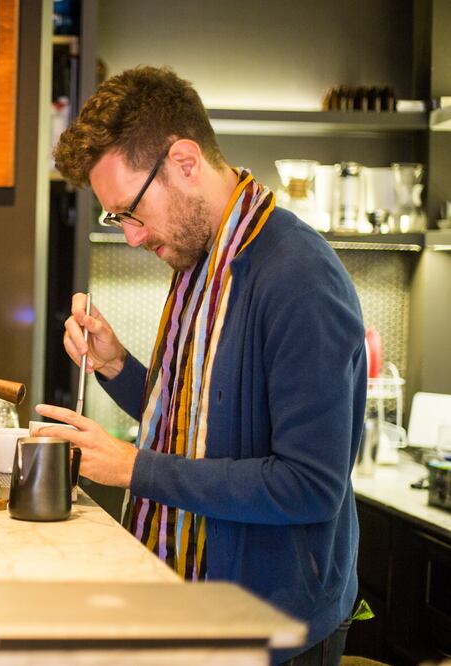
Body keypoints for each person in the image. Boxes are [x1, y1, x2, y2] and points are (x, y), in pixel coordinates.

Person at [36, 66, 366, 666]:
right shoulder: (197, 264)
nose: (132, 238)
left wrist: (134, 468)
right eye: (117, 219)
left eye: (130, 211)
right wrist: (115, 367)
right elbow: (199, 421)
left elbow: (310, 487)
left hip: (273, 629)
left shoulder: (298, 278)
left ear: (185, 161)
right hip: (188, 602)